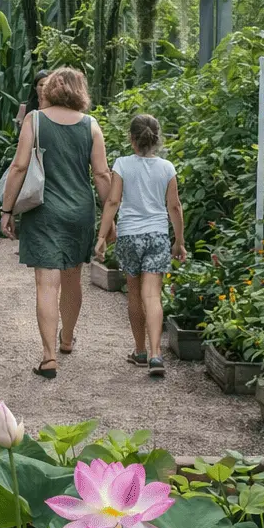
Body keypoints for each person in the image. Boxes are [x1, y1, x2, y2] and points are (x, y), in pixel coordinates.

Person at [1, 68, 111, 379]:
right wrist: (109, 217)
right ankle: (66, 339)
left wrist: (7, 209)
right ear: (80, 91)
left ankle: (49, 357)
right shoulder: (91, 126)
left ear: (49, 89)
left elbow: (20, 165)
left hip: (44, 212)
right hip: (80, 212)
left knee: (46, 285)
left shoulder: (34, 120)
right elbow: (102, 176)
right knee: (73, 279)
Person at [94, 113, 186, 378]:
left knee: (134, 294)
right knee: (152, 296)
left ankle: (140, 351)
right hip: (157, 236)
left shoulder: (122, 165)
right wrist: (178, 241)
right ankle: (157, 354)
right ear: (156, 139)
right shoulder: (167, 168)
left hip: (129, 237)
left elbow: (112, 202)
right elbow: (174, 206)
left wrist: (102, 236)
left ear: (132, 139)